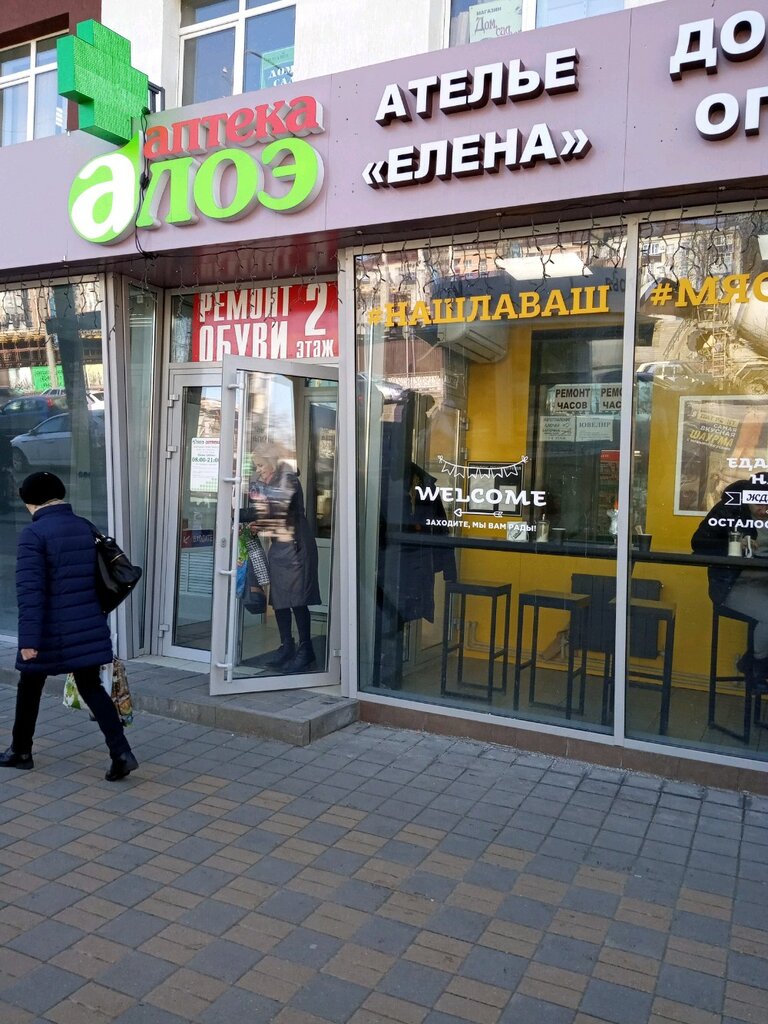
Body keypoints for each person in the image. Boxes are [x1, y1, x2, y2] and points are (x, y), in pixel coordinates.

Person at [0, 472, 138, 779]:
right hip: (86, 625)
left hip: (50, 631)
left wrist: (29, 641)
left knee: (29, 685)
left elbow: (30, 594)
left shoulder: (33, 535)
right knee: (91, 687)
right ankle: (122, 753)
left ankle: (21, 751)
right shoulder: (83, 526)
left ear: (30, 501)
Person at [244, 450, 321, 673]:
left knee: (296, 600)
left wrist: (250, 516)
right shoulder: (270, 483)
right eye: (256, 467)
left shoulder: (289, 480)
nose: (258, 470)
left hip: (295, 548)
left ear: (272, 462)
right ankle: (286, 645)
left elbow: (277, 512)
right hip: (280, 547)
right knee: (279, 599)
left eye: (260, 465)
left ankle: (306, 651)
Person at [692, 476, 768, 691]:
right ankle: (757, 669)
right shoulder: (729, 510)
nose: (764, 510)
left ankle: (750, 662)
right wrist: (733, 543)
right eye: (758, 503)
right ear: (746, 499)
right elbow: (698, 542)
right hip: (733, 585)